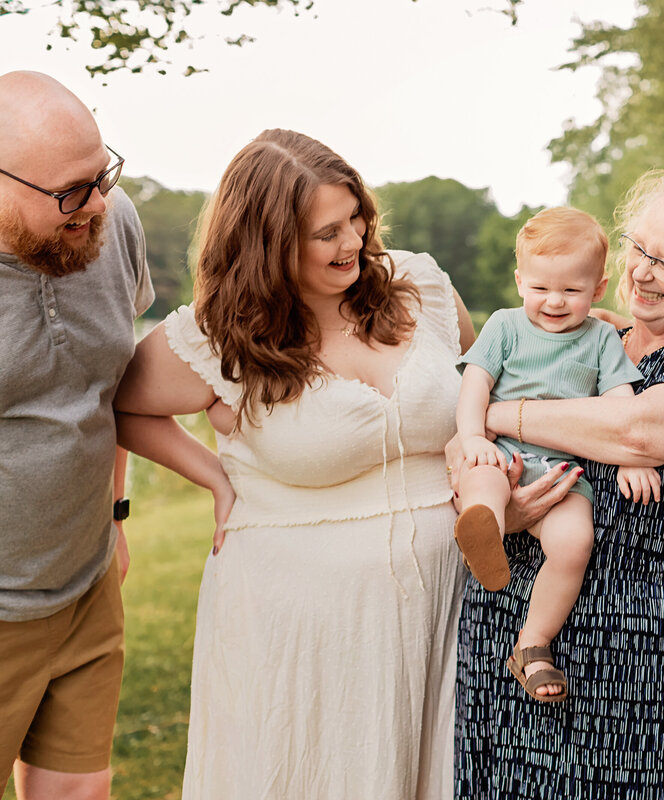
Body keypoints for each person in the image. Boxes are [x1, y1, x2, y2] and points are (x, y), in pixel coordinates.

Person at [113, 129, 477, 799]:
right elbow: (124, 407)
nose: (355, 243)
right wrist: (215, 476)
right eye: (326, 233)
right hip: (300, 622)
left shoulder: (419, 284)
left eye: (357, 218)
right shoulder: (218, 337)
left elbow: (483, 391)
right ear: (268, 244)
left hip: (447, 601)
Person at [454, 164, 664, 798]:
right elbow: (461, 453)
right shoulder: (588, 335)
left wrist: (495, 412)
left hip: (631, 657)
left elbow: (638, 433)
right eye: (640, 249)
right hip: (503, 628)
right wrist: (501, 506)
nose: (642, 272)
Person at [0, 71, 153, 800]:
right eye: (70, 191)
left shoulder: (111, 223)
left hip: (86, 581)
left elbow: (112, 387)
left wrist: (117, 517)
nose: (95, 205)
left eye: (103, 175)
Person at [455, 206, 651, 702]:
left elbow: (619, 406)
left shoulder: (603, 338)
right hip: (503, 452)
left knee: (574, 543)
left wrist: (631, 456)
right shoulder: (503, 326)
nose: (555, 301)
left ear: (599, 289)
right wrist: (474, 438)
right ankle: (485, 528)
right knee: (484, 478)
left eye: (571, 290)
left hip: (564, 470)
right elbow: (474, 388)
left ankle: (533, 643)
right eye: (541, 288)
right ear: (520, 281)